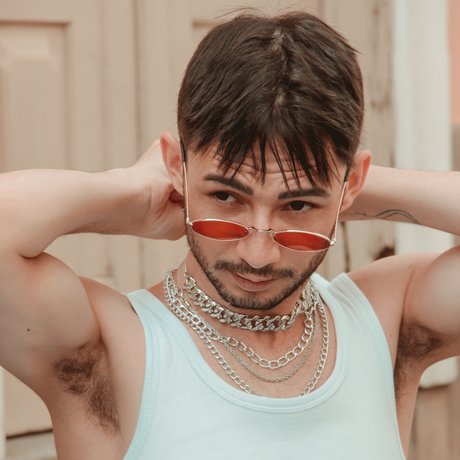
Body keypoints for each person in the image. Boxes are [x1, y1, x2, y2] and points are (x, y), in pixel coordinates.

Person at [0, 10, 457, 460]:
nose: (258, 254)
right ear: (176, 166)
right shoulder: (111, 349)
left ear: (352, 183)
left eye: (298, 206)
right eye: (225, 196)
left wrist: (340, 186)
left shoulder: (386, 321)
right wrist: (132, 190)